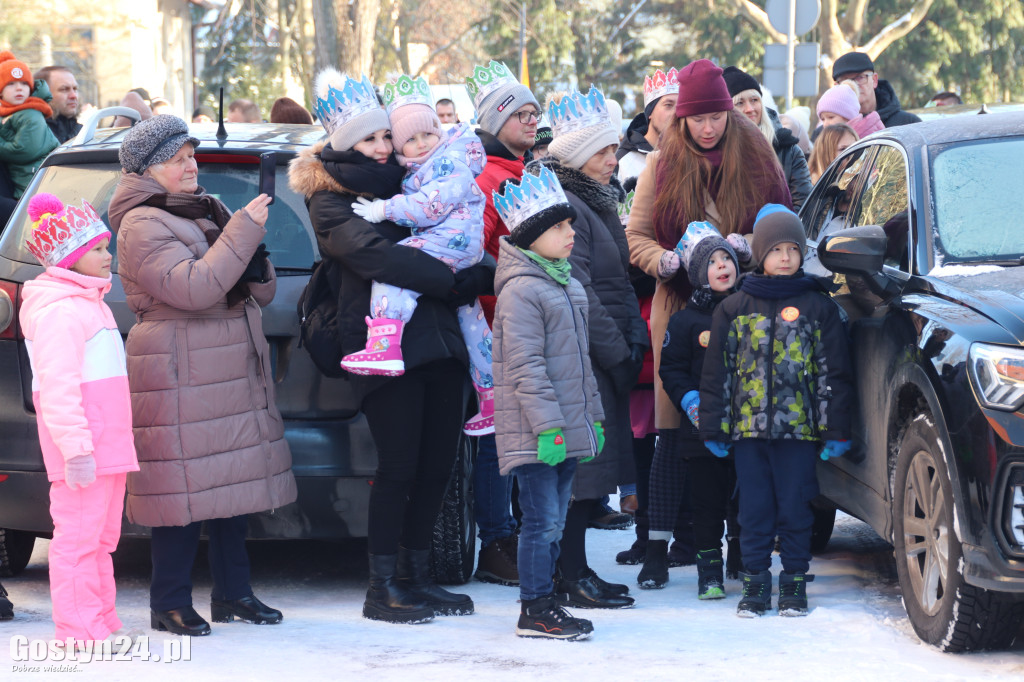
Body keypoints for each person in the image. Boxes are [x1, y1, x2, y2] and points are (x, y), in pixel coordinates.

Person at [289, 69, 490, 623]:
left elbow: (466, 233)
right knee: (399, 467)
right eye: (368, 139)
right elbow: (377, 257)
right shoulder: (332, 199)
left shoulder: (412, 178)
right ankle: (382, 589)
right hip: (384, 344)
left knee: (437, 468)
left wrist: (478, 273)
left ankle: (416, 578)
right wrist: (453, 281)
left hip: (441, 340)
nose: (381, 148)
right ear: (342, 143)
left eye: (385, 137)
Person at [108, 114, 296, 636]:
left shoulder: (199, 208)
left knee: (228, 483)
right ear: (148, 170)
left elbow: (250, 288)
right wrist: (240, 233)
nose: (192, 166)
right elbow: (192, 290)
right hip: (178, 366)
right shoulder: (143, 222)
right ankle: (168, 601)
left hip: (222, 363)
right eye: (178, 159)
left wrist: (258, 264)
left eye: (191, 156)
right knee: (182, 491)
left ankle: (234, 594)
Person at [624, 59, 791, 577]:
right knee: (676, 438)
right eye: (697, 118)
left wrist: (751, 246)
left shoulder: (758, 153)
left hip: (745, 312)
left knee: (745, 436)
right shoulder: (661, 162)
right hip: (680, 312)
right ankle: (658, 548)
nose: (708, 126)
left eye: (716, 115)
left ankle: (742, 546)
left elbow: (783, 221)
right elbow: (637, 238)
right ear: (681, 120)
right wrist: (664, 262)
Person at [700, 204, 854, 617]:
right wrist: (714, 427)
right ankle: (754, 584)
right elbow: (719, 373)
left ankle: (794, 582)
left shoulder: (818, 308)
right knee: (753, 511)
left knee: (795, 508)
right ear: (761, 254)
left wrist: (835, 428)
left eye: (792, 248)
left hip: (799, 433)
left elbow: (834, 372)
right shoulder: (734, 309)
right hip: (749, 434)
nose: (785, 257)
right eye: (776, 249)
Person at [342, 74, 494, 435]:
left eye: (428, 132)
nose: (423, 142)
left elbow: (429, 207)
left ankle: (384, 342)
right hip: (461, 246)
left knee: (395, 269)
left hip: (450, 240)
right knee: (473, 325)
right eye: (410, 139)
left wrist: (384, 210)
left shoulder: (447, 162)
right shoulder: (434, 162)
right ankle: (490, 397)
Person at [19, 192, 140, 647]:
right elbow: (57, 389)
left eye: (106, 246)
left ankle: (100, 617)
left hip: (108, 447)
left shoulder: (94, 305)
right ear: (69, 258)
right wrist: (77, 450)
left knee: (103, 539)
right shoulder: (59, 313)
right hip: (83, 452)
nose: (107, 255)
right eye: (96, 249)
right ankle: (76, 629)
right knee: (77, 540)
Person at [543, 85, 645, 609]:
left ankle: (577, 570)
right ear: (581, 155)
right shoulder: (573, 207)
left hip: (604, 353)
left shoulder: (595, 201)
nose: (614, 158)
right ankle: (570, 573)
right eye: (605, 151)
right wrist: (618, 350)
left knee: (595, 468)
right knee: (586, 472)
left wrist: (633, 337)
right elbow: (578, 289)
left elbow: (616, 280)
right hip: (586, 356)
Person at [492, 166, 604, 640]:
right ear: (533, 236)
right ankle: (534, 607)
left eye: (570, 225)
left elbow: (581, 367)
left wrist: (592, 418)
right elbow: (525, 368)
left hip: (564, 429)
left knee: (554, 522)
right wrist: (547, 428)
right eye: (559, 227)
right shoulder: (522, 291)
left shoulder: (566, 285)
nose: (570, 233)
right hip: (538, 433)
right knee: (541, 523)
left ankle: (547, 598)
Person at [466, 60, 543, 587]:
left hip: (526, 322)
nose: (532, 120)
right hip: (496, 327)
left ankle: (511, 531)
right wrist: (512, 284)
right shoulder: (487, 177)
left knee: (519, 435)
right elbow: (474, 252)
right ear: (496, 121)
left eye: (535, 112)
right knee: (497, 438)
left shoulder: (526, 171)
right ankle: (496, 539)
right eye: (521, 113)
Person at [650, 221, 738, 597]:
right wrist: (689, 400)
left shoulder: (749, 310)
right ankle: (709, 570)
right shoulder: (685, 320)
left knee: (745, 500)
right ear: (699, 274)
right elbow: (670, 367)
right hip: (702, 432)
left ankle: (743, 559)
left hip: (747, 426)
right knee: (706, 503)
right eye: (712, 261)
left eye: (726, 258)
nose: (722, 266)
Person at [723, 66, 812, 210]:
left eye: (754, 100)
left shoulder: (789, 151)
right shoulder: (717, 152)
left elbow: (804, 208)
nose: (750, 109)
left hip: (783, 230)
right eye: (740, 103)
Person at [0, 51, 60, 200]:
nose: (19, 88)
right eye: (11, 84)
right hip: (26, 182)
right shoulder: (11, 113)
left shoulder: (31, 114)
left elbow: (24, 151)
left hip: (38, 182)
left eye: (24, 83)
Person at [617, 67, 678, 187]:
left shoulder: (689, 156)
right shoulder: (623, 161)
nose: (676, 113)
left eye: (680, 106)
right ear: (649, 113)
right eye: (668, 105)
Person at [830, 52, 920, 129]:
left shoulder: (908, 123)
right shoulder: (830, 131)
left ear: (874, 80)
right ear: (837, 87)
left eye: (860, 78)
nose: (854, 85)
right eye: (846, 81)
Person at [815, 81, 883, 140]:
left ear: (848, 116)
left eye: (831, 117)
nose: (825, 124)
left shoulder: (865, 136)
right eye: (823, 119)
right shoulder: (840, 136)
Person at [36, 65, 81, 143]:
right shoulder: (32, 136)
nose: (73, 96)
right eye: (64, 89)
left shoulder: (83, 133)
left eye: (75, 89)